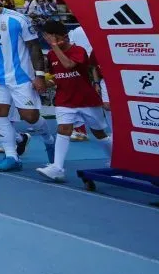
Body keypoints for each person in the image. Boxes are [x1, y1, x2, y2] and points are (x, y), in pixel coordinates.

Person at [0, 0, 55, 171]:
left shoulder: (18, 19)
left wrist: (39, 75)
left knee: (29, 117)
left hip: (20, 76)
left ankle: (48, 139)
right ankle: (12, 156)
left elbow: (34, 47)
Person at [36, 20, 112, 182]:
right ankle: (57, 168)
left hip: (86, 100)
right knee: (63, 129)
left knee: (99, 133)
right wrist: (46, 84)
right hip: (64, 100)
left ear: (59, 36)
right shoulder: (50, 55)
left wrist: (55, 46)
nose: (47, 39)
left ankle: (117, 161)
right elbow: (59, 75)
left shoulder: (79, 50)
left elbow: (69, 65)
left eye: (49, 36)